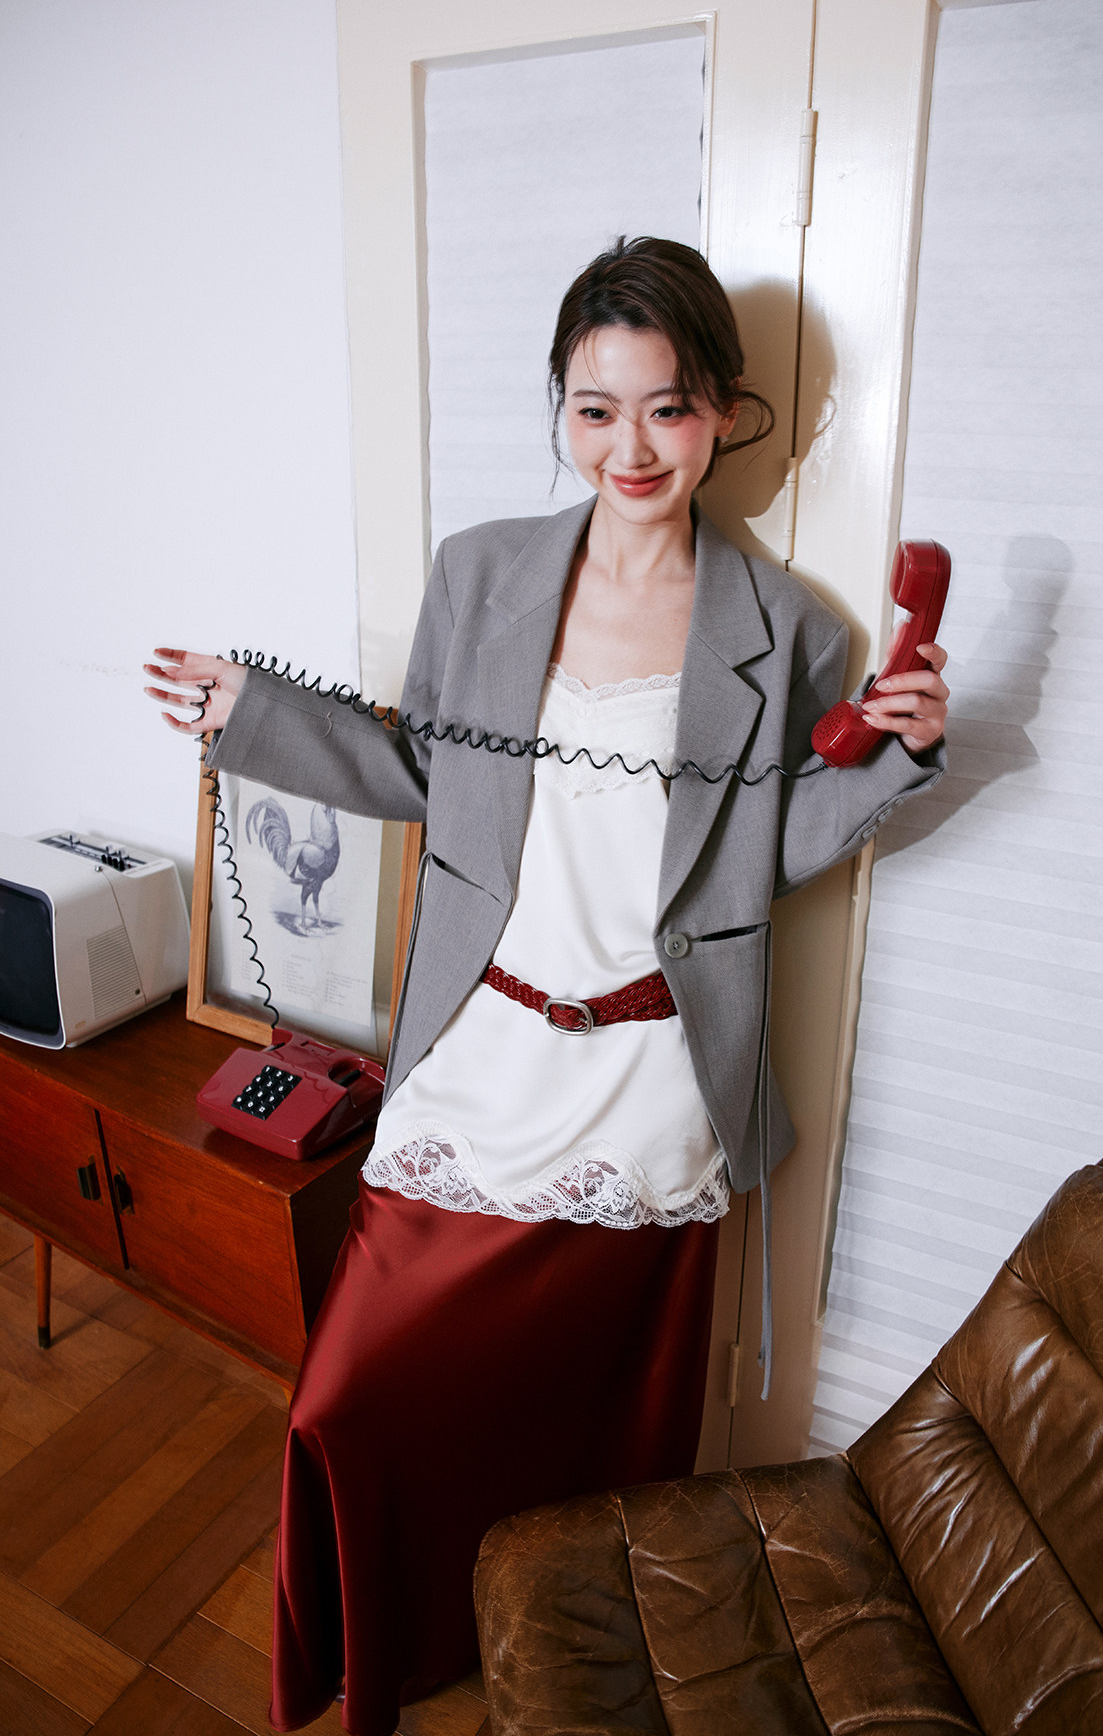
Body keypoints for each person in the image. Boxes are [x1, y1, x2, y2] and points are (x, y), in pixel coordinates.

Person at [145, 237, 948, 1736]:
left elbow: (769, 854)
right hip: (481, 1052)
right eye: (596, 408)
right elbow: (423, 774)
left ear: (726, 414)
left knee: (595, 1436)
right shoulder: (483, 573)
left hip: (649, 1092)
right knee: (352, 1400)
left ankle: (553, 1657)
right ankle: (385, 1655)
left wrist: (900, 752)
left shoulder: (790, 630)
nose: (630, 447)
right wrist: (254, 714)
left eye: (668, 407)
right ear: (562, 409)